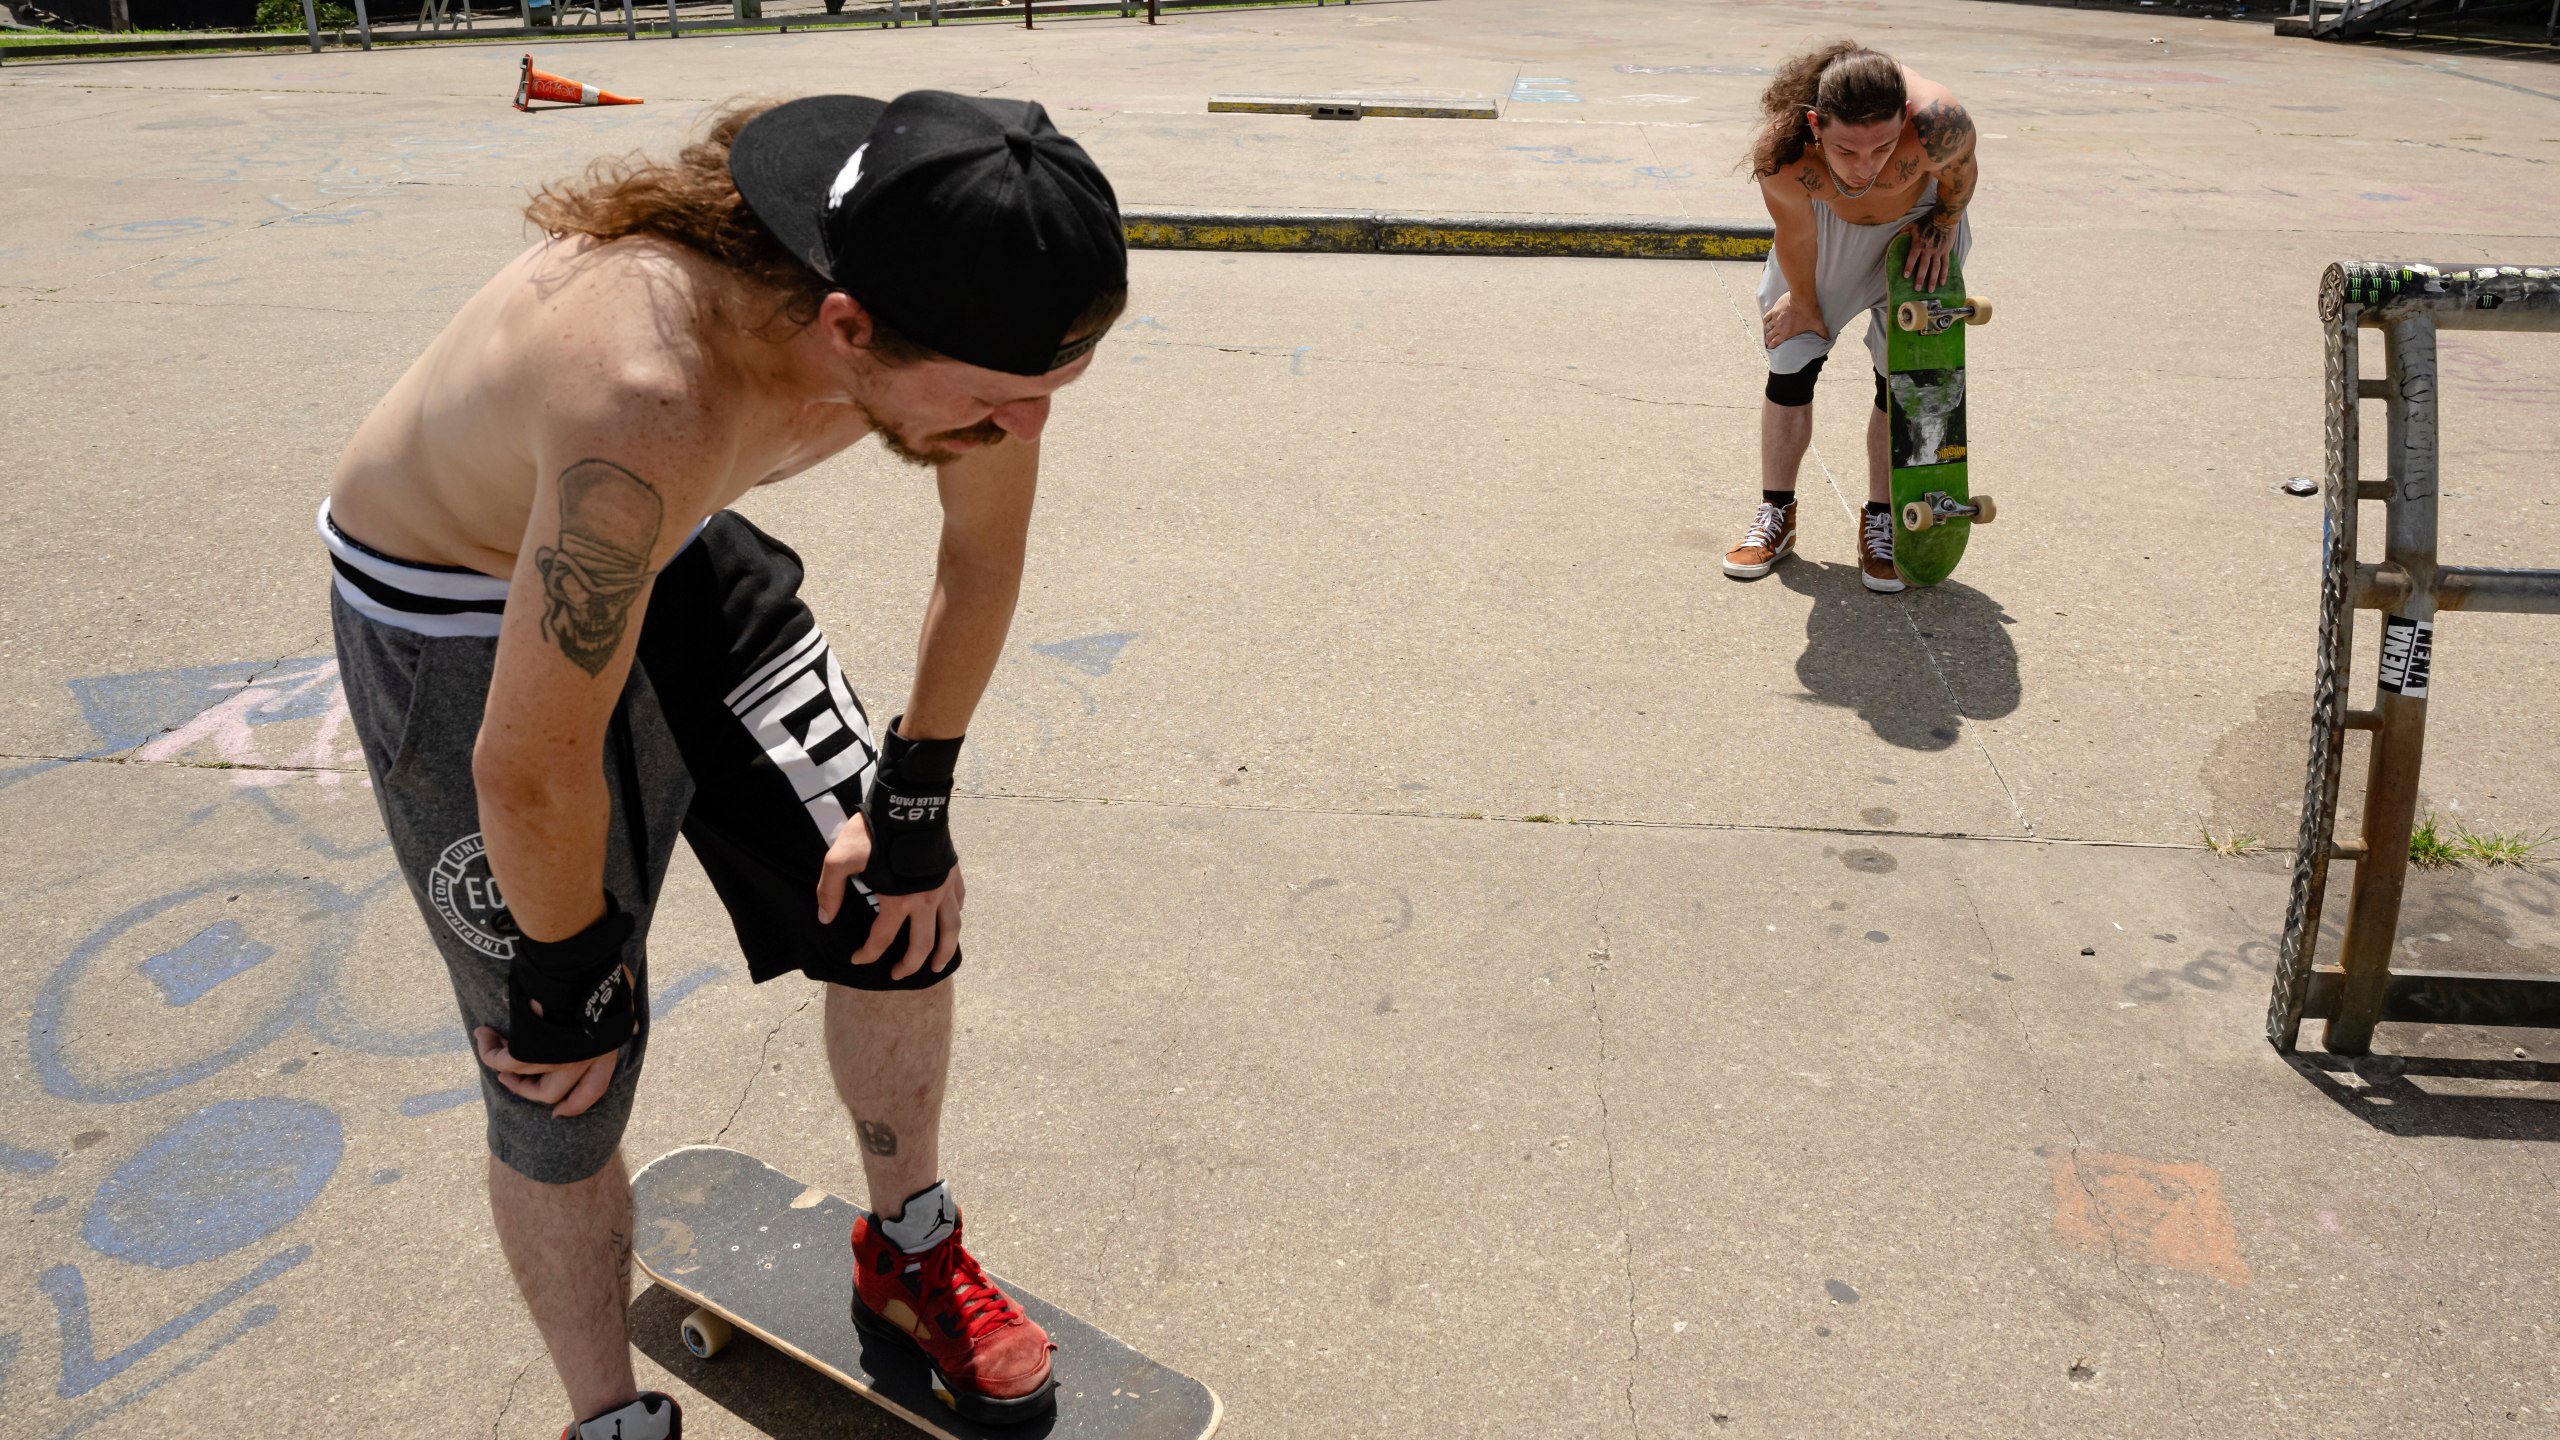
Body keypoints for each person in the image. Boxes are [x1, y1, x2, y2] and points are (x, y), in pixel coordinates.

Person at [321, 90, 1126, 1438]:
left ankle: (908, 1250)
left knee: (898, 908)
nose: (1026, 430)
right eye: (998, 406)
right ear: (846, 329)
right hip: (455, 607)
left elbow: (980, 557)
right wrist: (570, 971)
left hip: (670, 543)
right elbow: (530, 759)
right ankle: (607, 1417)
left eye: (1049, 394)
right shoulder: (650, 389)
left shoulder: (956, 271)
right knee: (559, 1060)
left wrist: (912, 799)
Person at [1722, 41, 1980, 593]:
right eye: (1845, 151)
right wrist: (1806, 302)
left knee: (1904, 375)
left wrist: (1944, 224)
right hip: (1827, 230)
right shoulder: (1784, 152)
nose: (1865, 166)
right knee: (1790, 360)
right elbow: (1793, 232)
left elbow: (1961, 176)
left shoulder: (1940, 121)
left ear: (1905, 120)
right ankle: (1777, 515)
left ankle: (1883, 518)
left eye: (1883, 147)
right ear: (1816, 125)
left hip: (1917, 225)